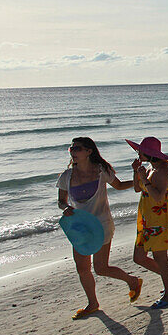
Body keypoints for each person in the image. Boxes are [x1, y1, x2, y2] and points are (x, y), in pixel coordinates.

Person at [58, 137, 142, 319]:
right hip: (80, 227)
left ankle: (133, 281)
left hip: (102, 224)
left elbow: (118, 186)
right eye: (71, 148)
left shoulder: (101, 170)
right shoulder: (66, 176)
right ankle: (93, 303)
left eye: (77, 148)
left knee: (101, 268)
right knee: (82, 268)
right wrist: (66, 208)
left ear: (89, 151)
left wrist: (140, 182)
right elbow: (61, 201)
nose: (73, 151)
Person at [127, 137, 168, 309]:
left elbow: (158, 197)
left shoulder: (163, 171)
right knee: (139, 257)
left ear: (150, 154)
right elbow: (138, 189)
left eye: (140, 152)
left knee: (160, 258)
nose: (138, 154)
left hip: (159, 220)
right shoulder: (153, 168)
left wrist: (144, 179)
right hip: (148, 219)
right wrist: (137, 173)